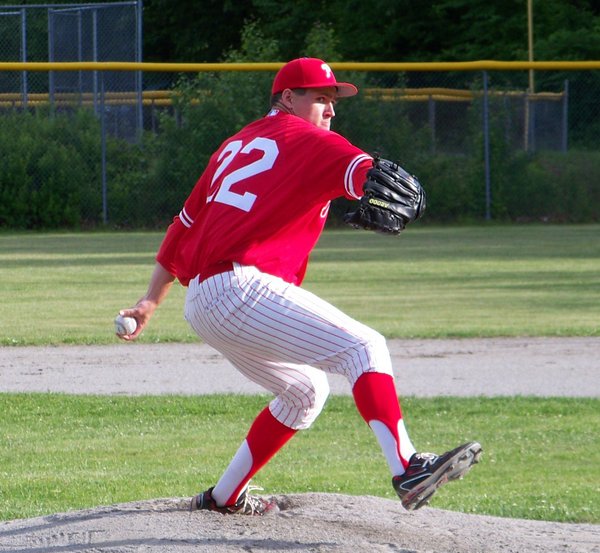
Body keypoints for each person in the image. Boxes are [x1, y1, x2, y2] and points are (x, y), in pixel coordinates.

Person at [117, 57, 481, 515]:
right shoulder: (307, 138)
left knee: (305, 391)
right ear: (288, 98)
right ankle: (408, 466)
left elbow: (183, 225)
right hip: (242, 288)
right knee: (364, 347)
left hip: (205, 302)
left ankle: (224, 496)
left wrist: (150, 300)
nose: (330, 110)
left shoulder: (234, 144)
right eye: (321, 98)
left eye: (333, 101)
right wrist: (374, 183)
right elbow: (367, 171)